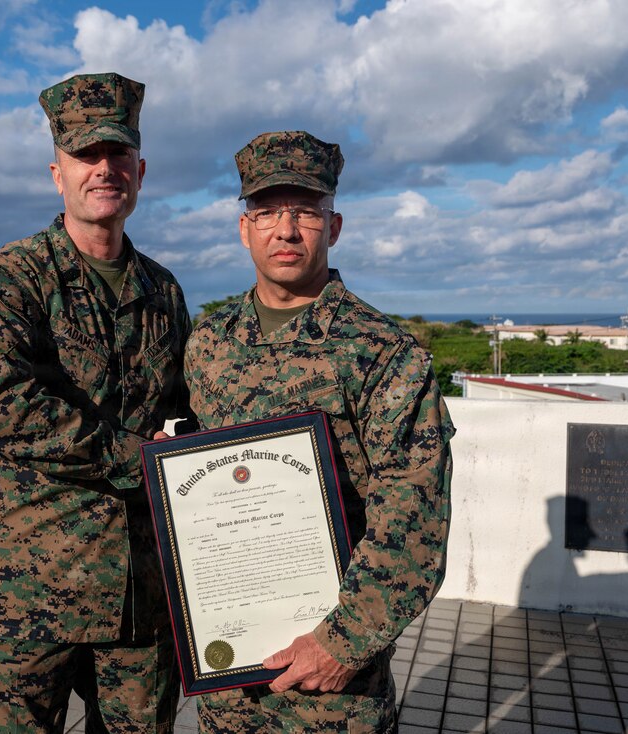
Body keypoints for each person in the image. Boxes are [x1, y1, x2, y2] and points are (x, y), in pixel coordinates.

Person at [186, 131, 455, 733]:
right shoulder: (208, 343)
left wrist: (343, 644)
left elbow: (415, 521)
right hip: (228, 681)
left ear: (334, 227)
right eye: (266, 212)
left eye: (305, 211)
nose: (285, 230)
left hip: (333, 690)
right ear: (243, 228)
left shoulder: (383, 352)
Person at [0, 72, 191, 733]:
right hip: (26, 596)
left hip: (139, 602)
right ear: (57, 172)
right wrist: (134, 458)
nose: (103, 170)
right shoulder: (14, 277)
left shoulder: (162, 292)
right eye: (87, 156)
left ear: (140, 171)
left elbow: (187, 403)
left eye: (118, 156)